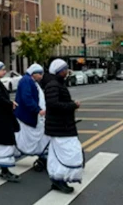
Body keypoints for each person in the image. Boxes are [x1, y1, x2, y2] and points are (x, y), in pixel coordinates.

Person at [45, 58, 83, 194]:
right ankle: (59, 180)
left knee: (59, 155)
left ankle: (59, 180)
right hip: (60, 127)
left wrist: (71, 104)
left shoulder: (58, 84)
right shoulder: (53, 85)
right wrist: (73, 105)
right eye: (64, 69)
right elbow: (53, 104)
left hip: (62, 125)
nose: (67, 71)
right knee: (70, 152)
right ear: (59, 71)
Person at [14, 63, 50, 167]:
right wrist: (37, 110)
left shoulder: (30, 81)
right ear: (34, 73)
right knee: (24, 138)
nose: (41, 76)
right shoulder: (26, 81)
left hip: (32, 116)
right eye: (40, 74)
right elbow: (27, 98)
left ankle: (41, 153)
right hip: (26, 116)